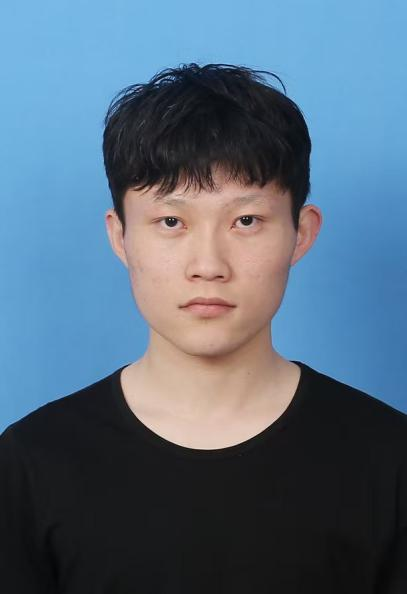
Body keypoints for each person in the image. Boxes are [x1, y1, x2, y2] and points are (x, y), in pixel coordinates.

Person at [0, 62, 406, 593]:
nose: (208, 265)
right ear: (120, 237)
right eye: (171, 221)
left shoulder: (389, 460)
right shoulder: (31, 463)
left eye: (246, 221)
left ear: (300, 234)